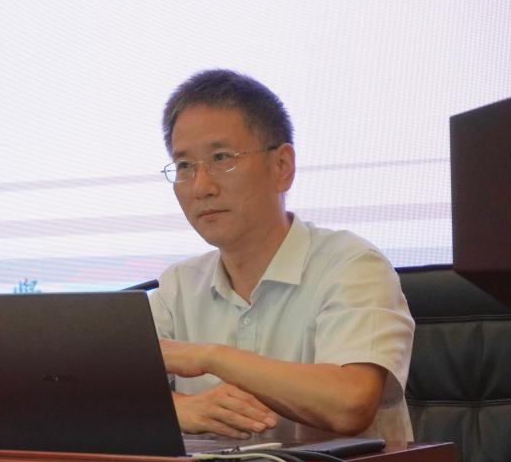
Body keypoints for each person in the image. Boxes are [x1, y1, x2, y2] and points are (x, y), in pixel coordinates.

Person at [149, 69, 414, 443]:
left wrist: (210, 357)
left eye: (222, 157)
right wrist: (179, 409)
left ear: (282, 167)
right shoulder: (178, 287)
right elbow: (94, 394)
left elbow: (351, 402)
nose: (201, 186)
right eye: (184, 166)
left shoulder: (352, 265)